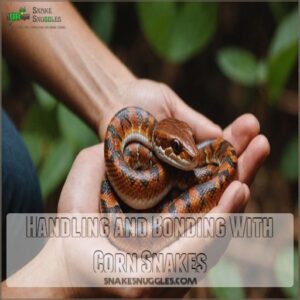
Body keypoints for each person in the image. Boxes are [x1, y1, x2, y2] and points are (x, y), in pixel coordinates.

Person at [1, 2, 270, 298]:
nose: (191, 155)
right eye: (179, 149)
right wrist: (64, 271)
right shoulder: (127, 160)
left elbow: (17, 10)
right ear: (159, 142)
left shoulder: (148, 142)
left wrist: (111, 94)